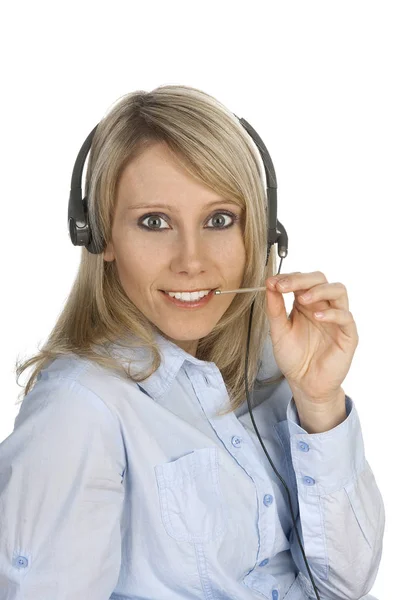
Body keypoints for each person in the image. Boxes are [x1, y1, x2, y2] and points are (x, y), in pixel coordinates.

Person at [0, 85, 384, 599]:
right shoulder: (80, 410)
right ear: (101, 237)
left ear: (262, 233)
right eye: (154, 222)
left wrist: (319, 402)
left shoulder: (269, 368)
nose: (191, 260)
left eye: (218, 220)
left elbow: (345, 585)